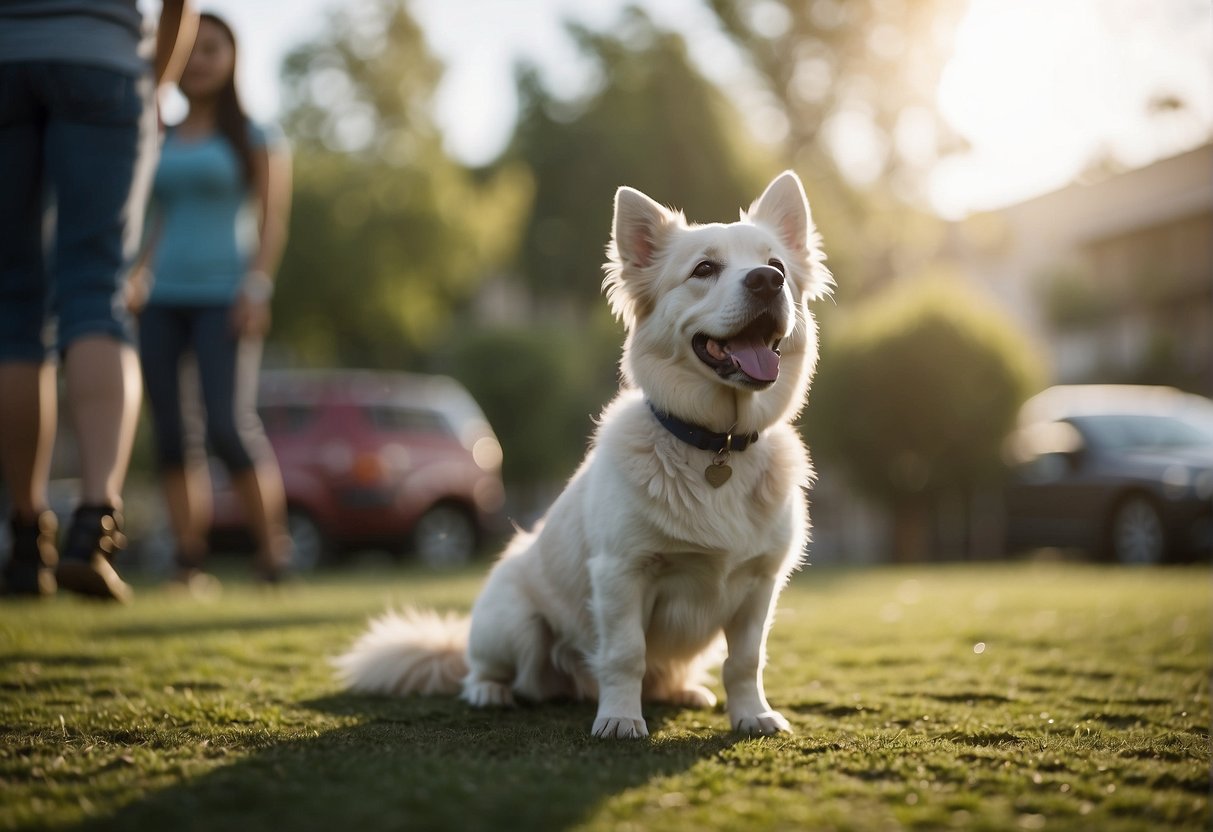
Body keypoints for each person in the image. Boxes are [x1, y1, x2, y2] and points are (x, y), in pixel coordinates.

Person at [0, 0, 198, 601]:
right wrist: (155, 81)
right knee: (95, 290)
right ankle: (93, 526)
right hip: (103, 60)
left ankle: (25, 537)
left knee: (12, 307)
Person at [129, 12, 293, 588]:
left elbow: (272, 222)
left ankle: (272, 552)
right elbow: (150, 219)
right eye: (191, 48)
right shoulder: (160, 132)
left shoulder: (256, 136)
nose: (199, 59)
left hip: (226, 297)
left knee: (228, 425)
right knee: (171, 431)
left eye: (213, 49)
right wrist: (137, 276)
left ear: (233, 59)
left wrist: (256, 286)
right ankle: (187, 561)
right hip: (161, 299)